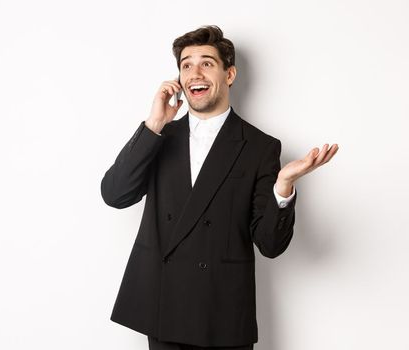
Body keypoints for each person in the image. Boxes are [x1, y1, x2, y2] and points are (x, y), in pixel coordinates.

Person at [100, 25, 338, 350]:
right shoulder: (160, 137)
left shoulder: (259, 147)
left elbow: (270, 244)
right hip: (164, 309)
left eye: (207, 63)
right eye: (186, 65)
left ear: (229, 74)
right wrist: (154, 124)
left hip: (223, 315)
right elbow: (114, 194)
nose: (194, 72)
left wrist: (283, 186)